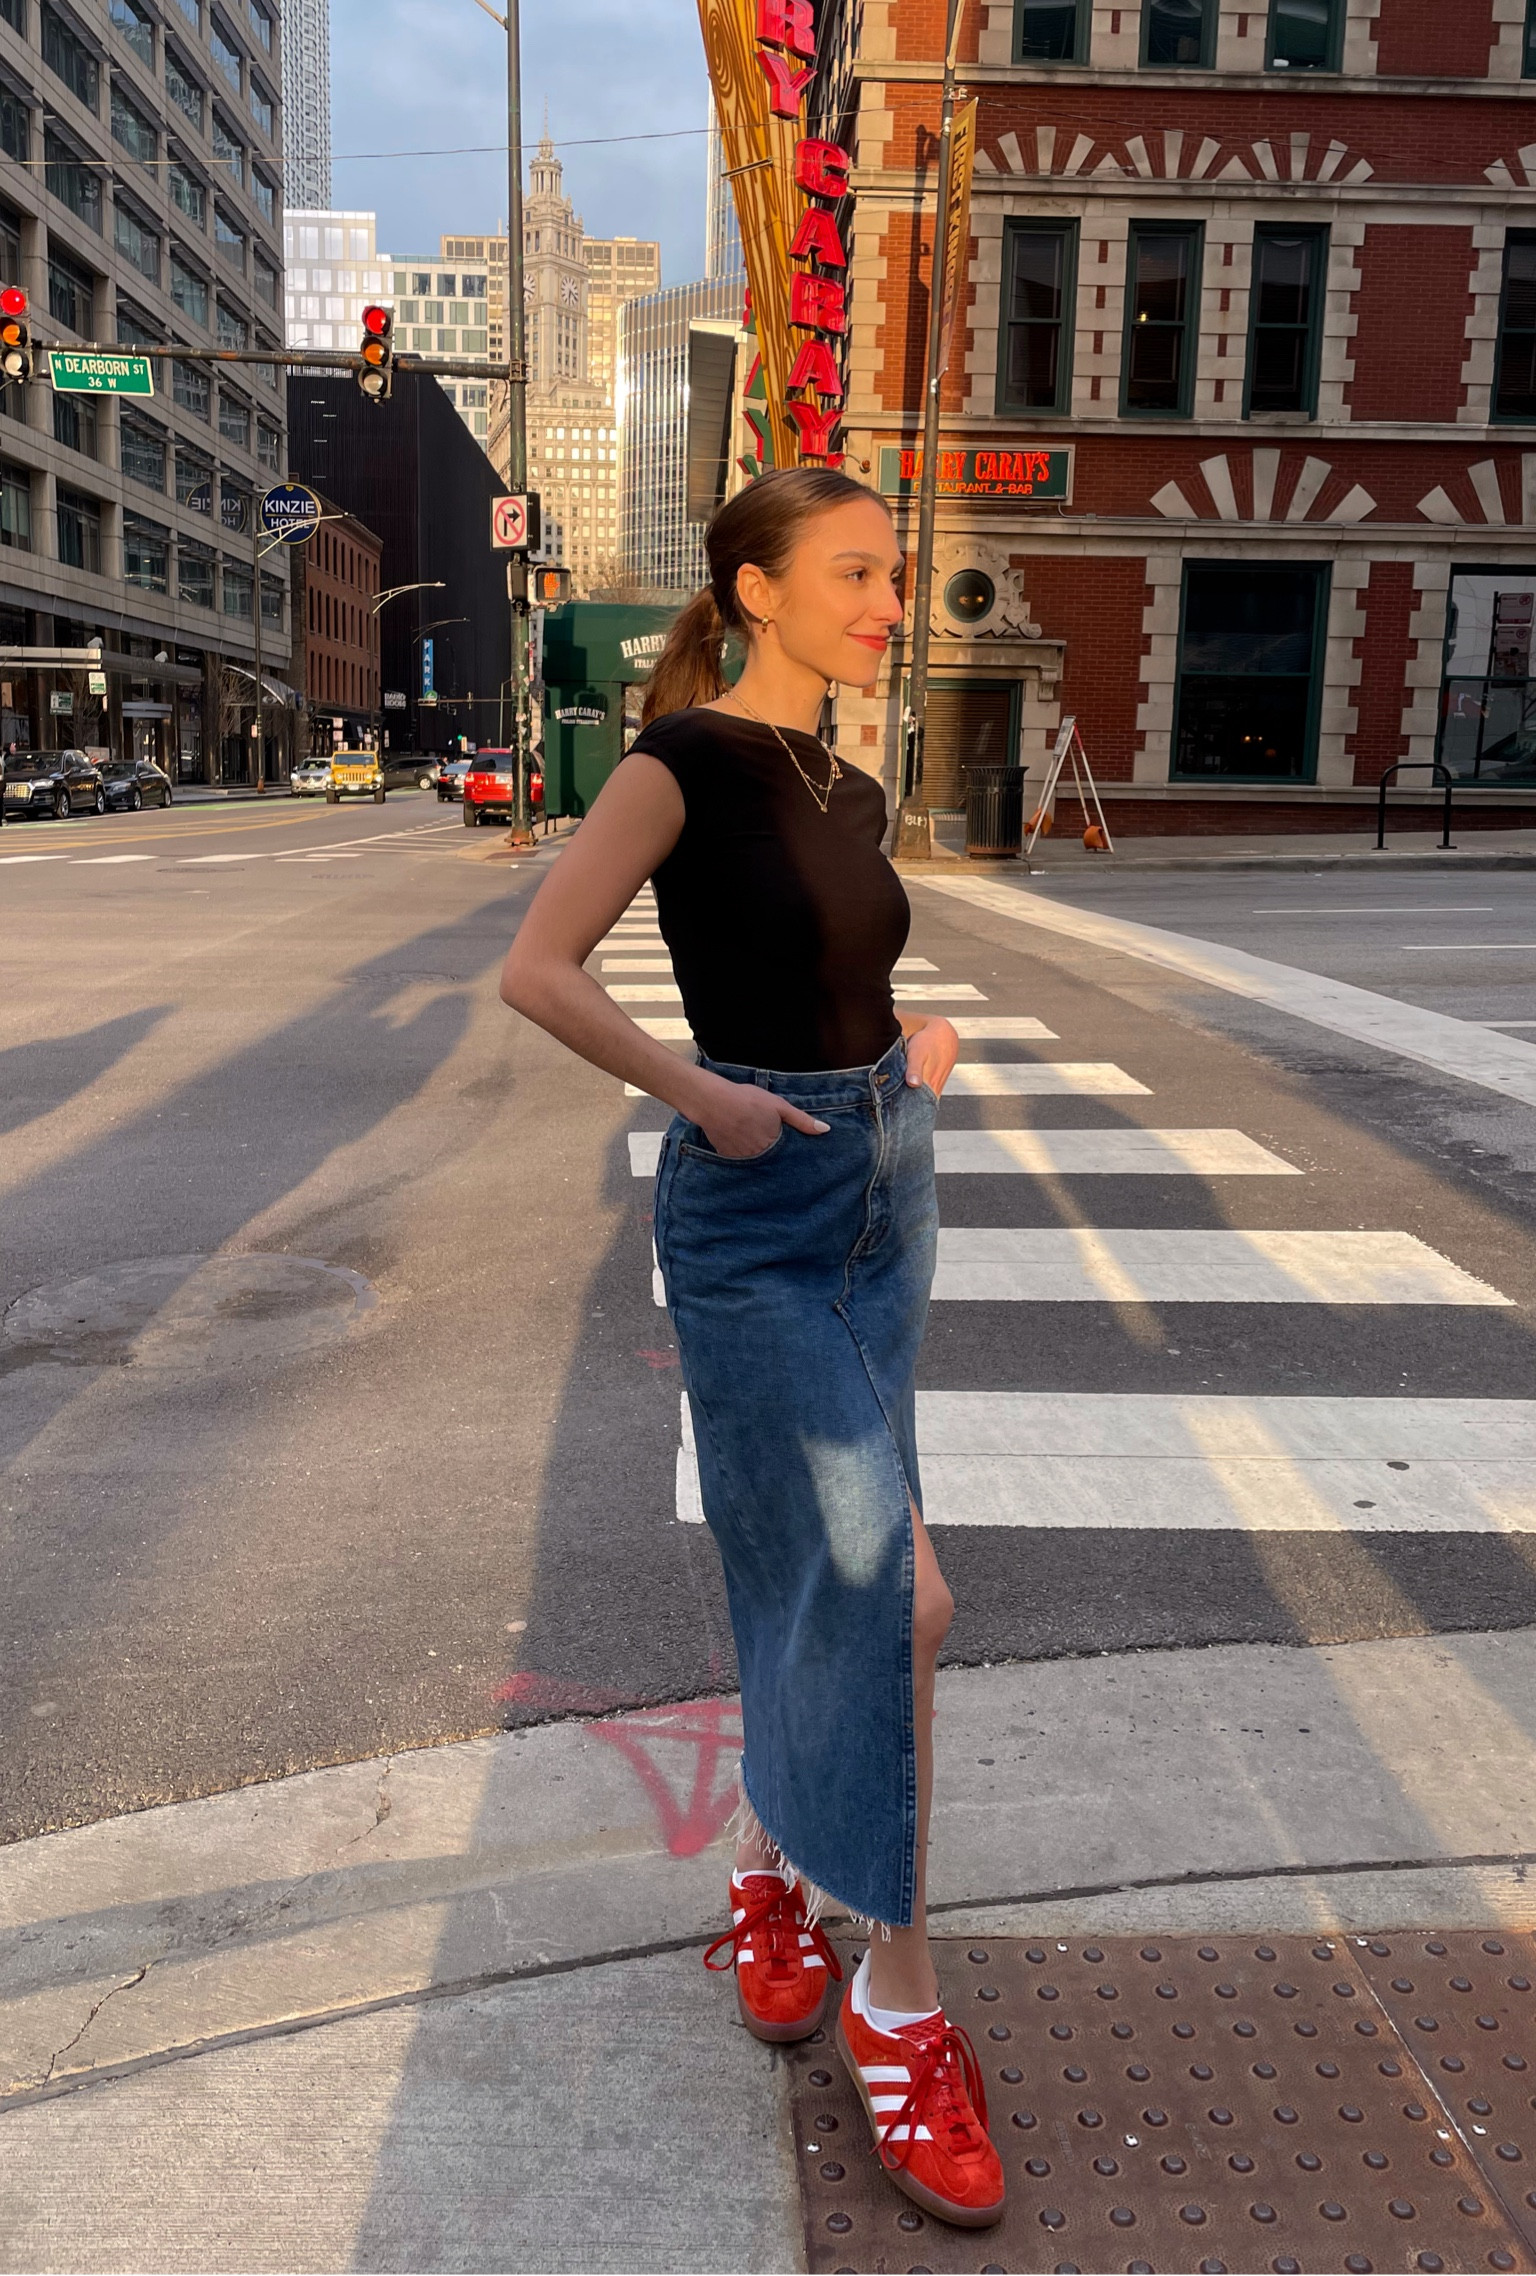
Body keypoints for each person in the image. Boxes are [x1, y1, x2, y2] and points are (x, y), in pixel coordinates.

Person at [500, 465, 1005, 2229]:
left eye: (895, 573)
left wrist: (912, 1044)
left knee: (811, 1569)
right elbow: (540, 967)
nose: (890, 603)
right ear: (757, 588)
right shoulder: (680, 764)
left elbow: (842, 968)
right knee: (899, 1594)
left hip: (883, 1188)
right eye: (856, 573)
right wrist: (701, 1097)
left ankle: (770, 1861)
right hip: (757, 1201)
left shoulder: (850, 779)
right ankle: (901, 1998)